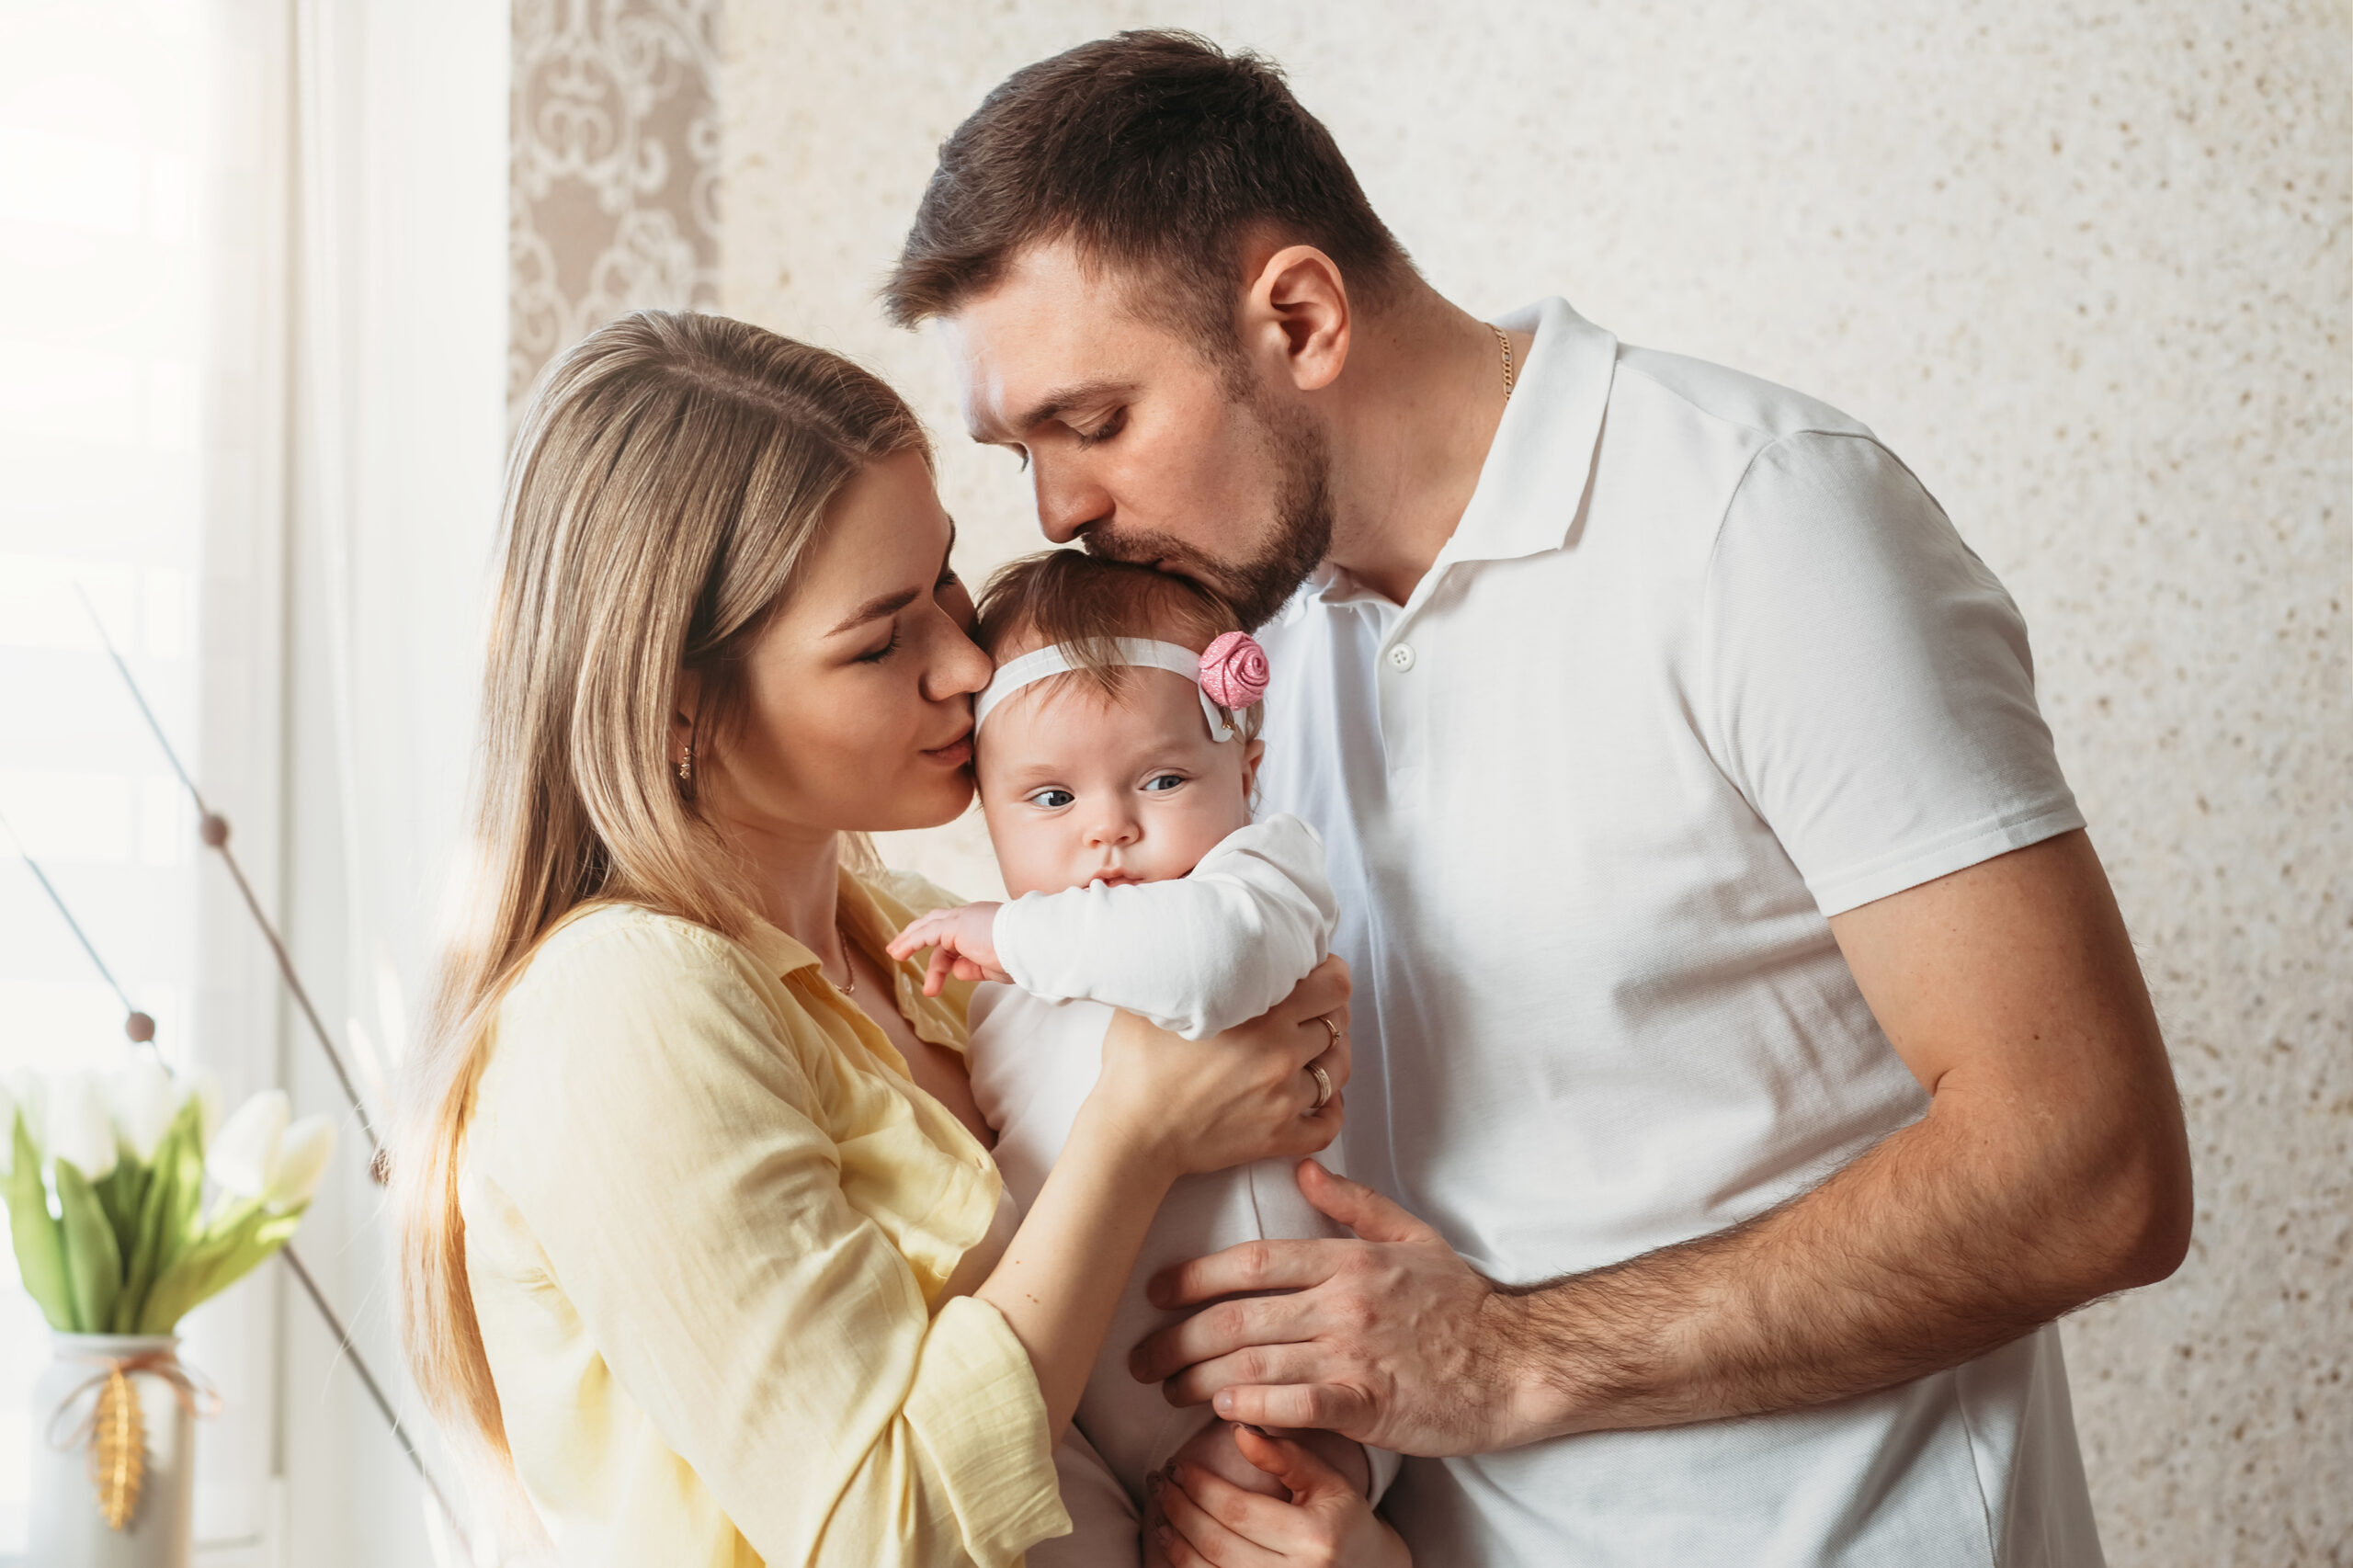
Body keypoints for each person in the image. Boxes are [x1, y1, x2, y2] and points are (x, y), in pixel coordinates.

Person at [884, 29, 2193, 1567]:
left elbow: (2093, 1168)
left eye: (1090, 423)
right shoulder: (1224, 655)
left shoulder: (1757, 525)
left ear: (1298, 316)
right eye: (1021, 447)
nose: (1056, 510)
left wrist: (1515, 1358)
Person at [388, 311, 1354, 1567]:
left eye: (947, 577)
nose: (966, 662)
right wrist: (1137, 1132)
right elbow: (872, 1528)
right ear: (681, 706)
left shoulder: (917, 936)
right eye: (881, 637)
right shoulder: (623, 1001)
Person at [889, 551, 1404, 1567]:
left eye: (1162, 779)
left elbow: (1204, 963)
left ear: (1244, 769)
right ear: (984, 808)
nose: (1108, 828)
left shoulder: (1257, 879)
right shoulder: (996, 984)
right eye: (1048, 799)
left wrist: (1013, 934)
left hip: (1273, 1387)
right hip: (1088, 1396)